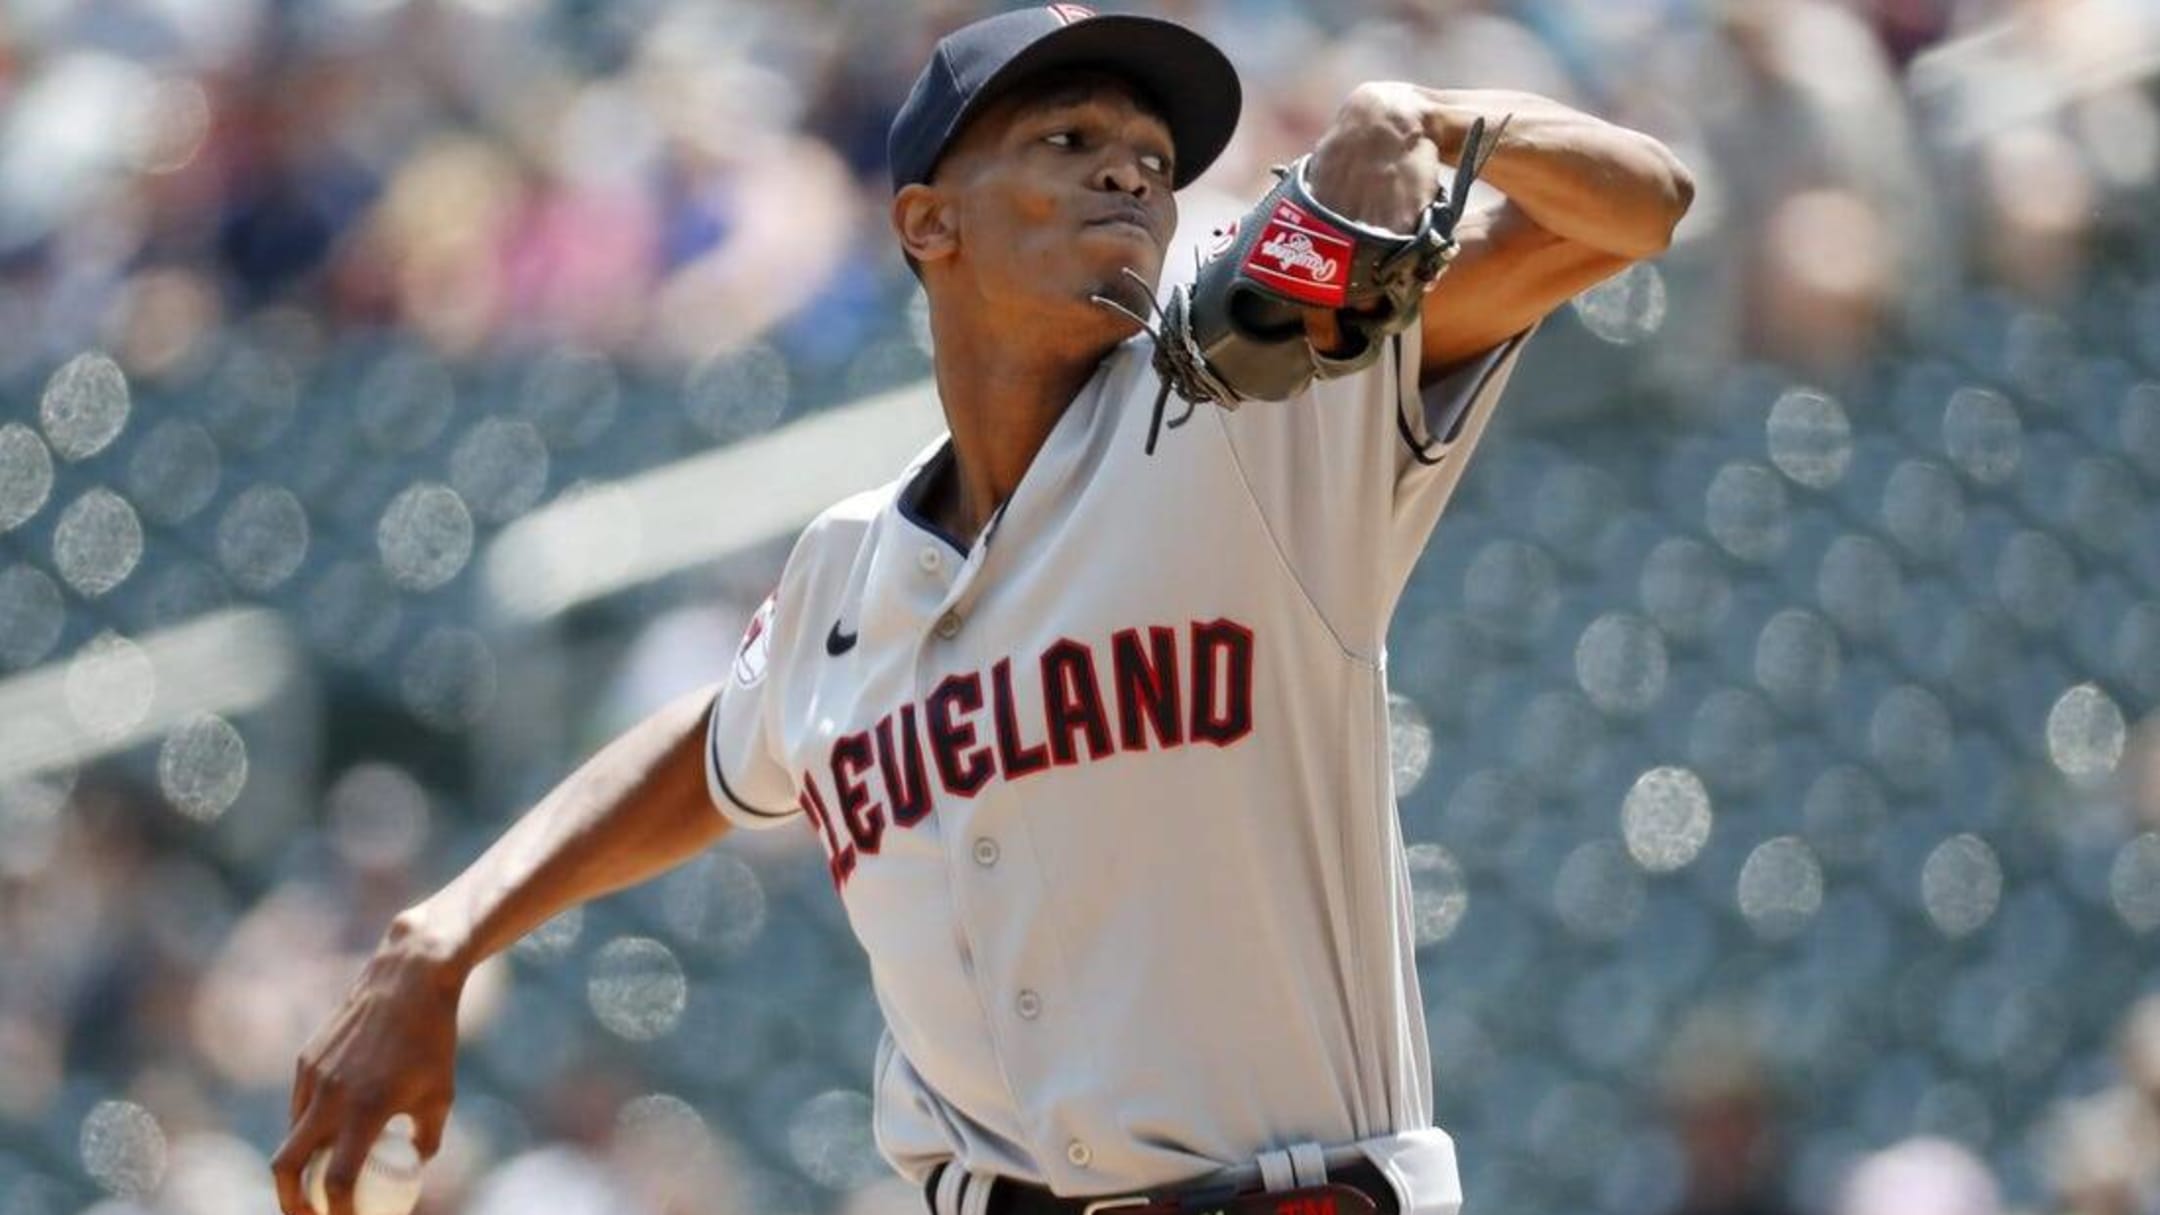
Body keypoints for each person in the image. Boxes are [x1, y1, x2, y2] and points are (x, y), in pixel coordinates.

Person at [271, 8, 1692, 1215]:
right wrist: (444, 934)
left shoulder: (1269, 411)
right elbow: (715, 753)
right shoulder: (845, 571)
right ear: (927, 222)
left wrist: (1436, 120)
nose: (1128, 178)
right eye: (1068, 143)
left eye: (1150, 160)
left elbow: (1644, 207)